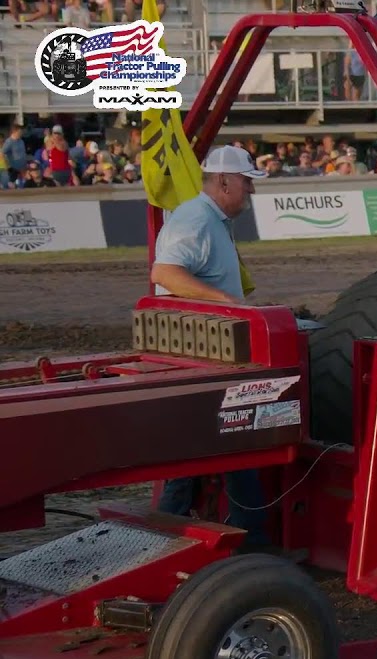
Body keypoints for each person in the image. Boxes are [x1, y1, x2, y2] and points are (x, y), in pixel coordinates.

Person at [152, 145, 272, 548]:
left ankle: (182, 540)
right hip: (201, 357)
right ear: (224, 181)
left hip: (209, 354)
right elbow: (165, 272)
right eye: (247, 182)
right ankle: (249, 542)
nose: (251, 192)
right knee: (229, 449)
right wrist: (228, 303)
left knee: (216, 452)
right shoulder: (197, 220)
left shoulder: (211, 220)